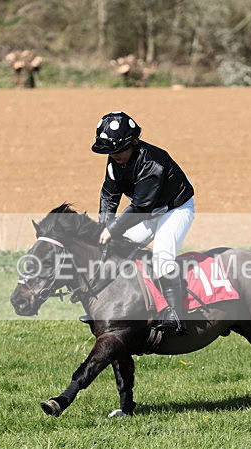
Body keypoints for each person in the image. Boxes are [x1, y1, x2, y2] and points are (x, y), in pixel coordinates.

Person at [91, 111, 195, 333]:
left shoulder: (152, 164)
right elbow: (109, 195)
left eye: (118, 151)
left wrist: (113, 228)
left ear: (134, 142)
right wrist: (104, 225)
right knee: (113, 248)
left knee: (162, 254)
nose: (114, 156)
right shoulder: (115, 161)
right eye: (110, 152)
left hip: (175, 209)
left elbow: (141, 207)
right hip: (149, 212)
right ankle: (114, 307)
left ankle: (176, 316)